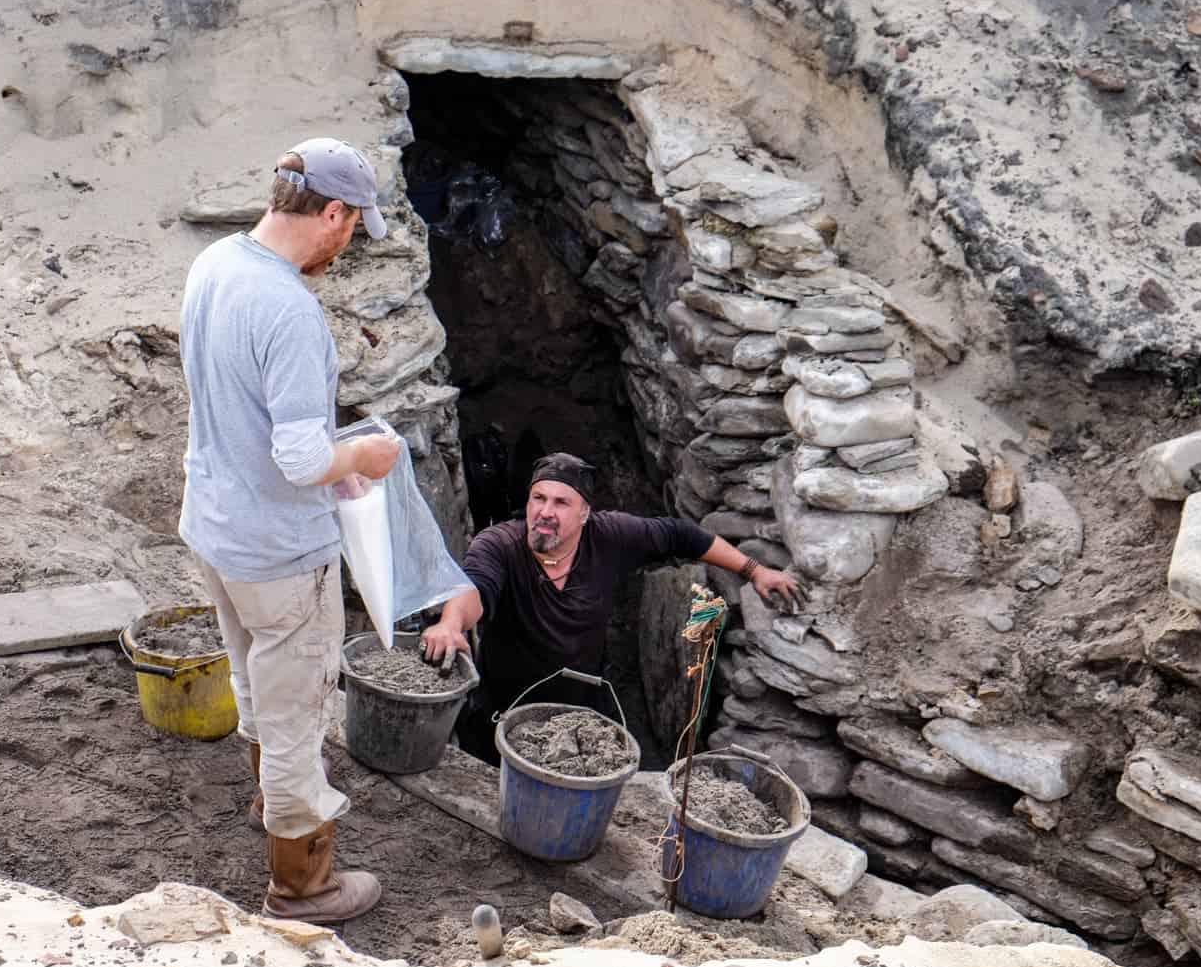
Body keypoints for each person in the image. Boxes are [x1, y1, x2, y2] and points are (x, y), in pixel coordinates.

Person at [177, 138, 399, 925]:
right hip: (279, 552)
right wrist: (364, 453)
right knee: (299, 707)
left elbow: (233, 406)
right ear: (330, 212)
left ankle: (263, 798)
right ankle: (303, 885)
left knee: (252, 678)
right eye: (350, 226)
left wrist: (321, 460)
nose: (348, 243)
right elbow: (302, 453)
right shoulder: (291, 310)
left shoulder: (216, 264)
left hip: (216, 526)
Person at [419, 452, 806, 764]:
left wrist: (754, 570)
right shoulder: (500, 544)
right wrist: (452, 624)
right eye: (539, 498)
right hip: (501, 712)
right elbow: (474, 586)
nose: (545, 512)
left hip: (581, 717)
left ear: (585, 513)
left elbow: (683, 535)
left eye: (561, 502)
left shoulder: (610, 536)